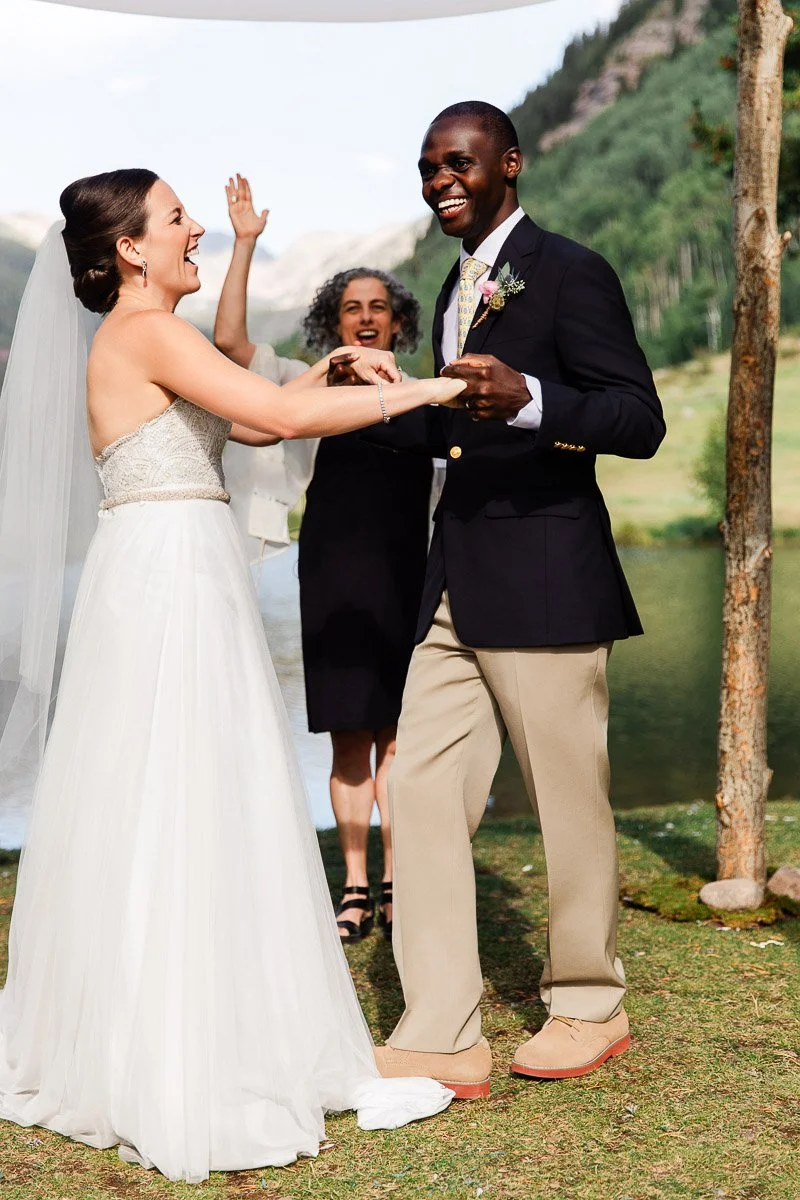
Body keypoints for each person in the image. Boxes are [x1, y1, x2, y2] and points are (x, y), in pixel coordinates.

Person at [0, 169, 465, 1182]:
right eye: (175, 218)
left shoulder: (152, 336)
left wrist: (329, 368)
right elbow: (281, 424)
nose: (194, 226)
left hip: (177, 570)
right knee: (176, 786)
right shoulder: (147, 330)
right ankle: (172, 1041)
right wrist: (428, 388)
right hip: (166, 580)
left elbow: (250, 420)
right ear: (130, 248)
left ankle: (181, 1012)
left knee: (189, 790)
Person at [363, 102, 666, 1098]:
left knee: (564, 802)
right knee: (417, 791)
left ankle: (587, 1003)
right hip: (452, 584)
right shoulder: (453, 282)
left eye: (455, 162)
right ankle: (441, 1022)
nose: (438, 179)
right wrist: (384, 394)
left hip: (545, 579)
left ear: (508, 164)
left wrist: (532, 397)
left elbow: (636, 418)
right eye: (425, 167)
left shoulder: (570, 269)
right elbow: (457, 436)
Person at [215, 176, 436, 944]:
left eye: (379, 306)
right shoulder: (297, 383)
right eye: (353, 307)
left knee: (403, 739)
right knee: (349, 735)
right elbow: (229, 347)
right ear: (333, 323)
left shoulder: (423, 394)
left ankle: (404, 881)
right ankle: (354, 886)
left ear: (399, 323)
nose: (367, 317)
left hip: (411, 573)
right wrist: (243, 243)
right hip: (335, 574)